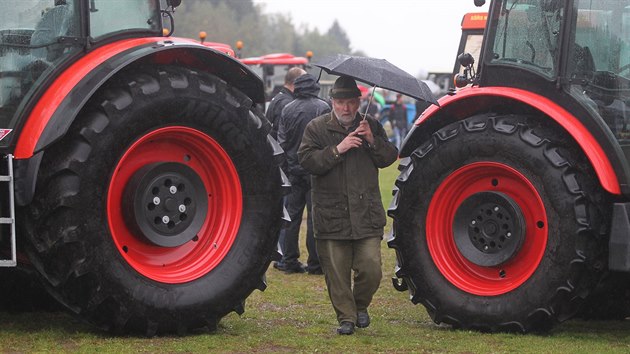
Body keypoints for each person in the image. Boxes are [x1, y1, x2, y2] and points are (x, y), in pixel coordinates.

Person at [297, 76, 398, 335]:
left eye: (350, 102)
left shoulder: (371, 125)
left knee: (371, 269)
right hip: (332, 214)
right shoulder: (316, 128)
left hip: (366, 214)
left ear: (358, 102)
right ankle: (347, 318)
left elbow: (389, 157)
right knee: (337, 274)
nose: (345, 108)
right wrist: (337, 149)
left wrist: (372, 141)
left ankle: (360, 305)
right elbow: (307, 161)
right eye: (340, 102)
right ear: (332, 102)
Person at [276, 73, 331, 274]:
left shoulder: (287, 108)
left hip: (293, 171)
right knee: (315, 218)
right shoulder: (323, 107)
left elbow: (282, 142)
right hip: (316, 171)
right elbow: (328, 141)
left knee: (292, 217)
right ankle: (315, 263)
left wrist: (288, 166)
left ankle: (289, 261)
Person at [266, 66, 306, 271]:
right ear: (296, 83)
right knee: (288, 212)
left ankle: (281, 254)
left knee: (284, 210)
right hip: (284, 164)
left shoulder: (277, 99)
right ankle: (283, 257)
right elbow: (287, 135)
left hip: (276, 161)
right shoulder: (286, 104)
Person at [266, 67, 307, 139]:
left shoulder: (279, 98)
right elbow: (281, 132)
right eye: (305, 82)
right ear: (297, 82)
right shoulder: (286, 104)